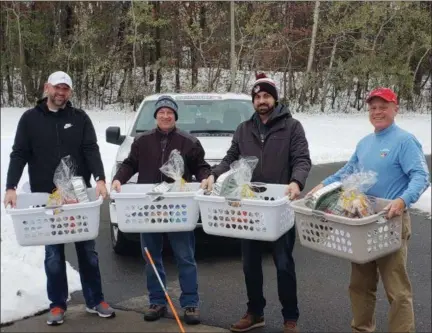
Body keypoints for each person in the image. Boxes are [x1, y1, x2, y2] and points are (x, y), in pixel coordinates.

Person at [307, 87, 430, 333]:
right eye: (373, 107)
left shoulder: (404, 141)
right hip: (361, 222)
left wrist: (402, 201)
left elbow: (420, 176)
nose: (377, 112)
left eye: (383, 106)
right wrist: (322, 185)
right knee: (360, 286)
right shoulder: (365, 143)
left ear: (396, 108)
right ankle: (362, 328)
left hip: (390, 221)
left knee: (397, 290)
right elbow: (348, 172)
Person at [201, 73, 312, 333]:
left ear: (275, 98)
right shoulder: (244, 129)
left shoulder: (292, 127)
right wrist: (213, 174)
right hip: (249, 206)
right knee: (249, 264)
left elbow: (302, 159)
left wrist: (296, 182)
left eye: (266, 96)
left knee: (284, 264)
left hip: (279, 206)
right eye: (258, 97)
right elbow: (230, 157)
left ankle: (290, 318)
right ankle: (255, 312)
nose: (262, 100)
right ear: (254, 101)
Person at [3, 71, 115, 325]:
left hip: (77, 197)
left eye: (65, 89)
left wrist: (99, 178)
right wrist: (10, 186)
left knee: (87, 251)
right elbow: (19, 153)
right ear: (47, 88)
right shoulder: (30, 119)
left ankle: (95, 299)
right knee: (53, 255)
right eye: (57, 88)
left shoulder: (80, 119)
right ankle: (57, 304)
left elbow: (90, 149)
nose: (60, 93)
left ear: (70, 93)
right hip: (47, 198)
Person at [111, 95, 211, 325]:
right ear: (155, 115)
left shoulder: (189, 142)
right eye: (161, 112)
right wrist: (119, 179)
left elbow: (201, 166)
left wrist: (206, 177)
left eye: (170, 112)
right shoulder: (142, 141)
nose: (166, 116)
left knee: (185, 256)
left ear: (175, 116)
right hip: (150, 208)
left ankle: (190, 304)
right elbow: (129, 164)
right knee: (151, 257)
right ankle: (157, 301)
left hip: (177, 207)